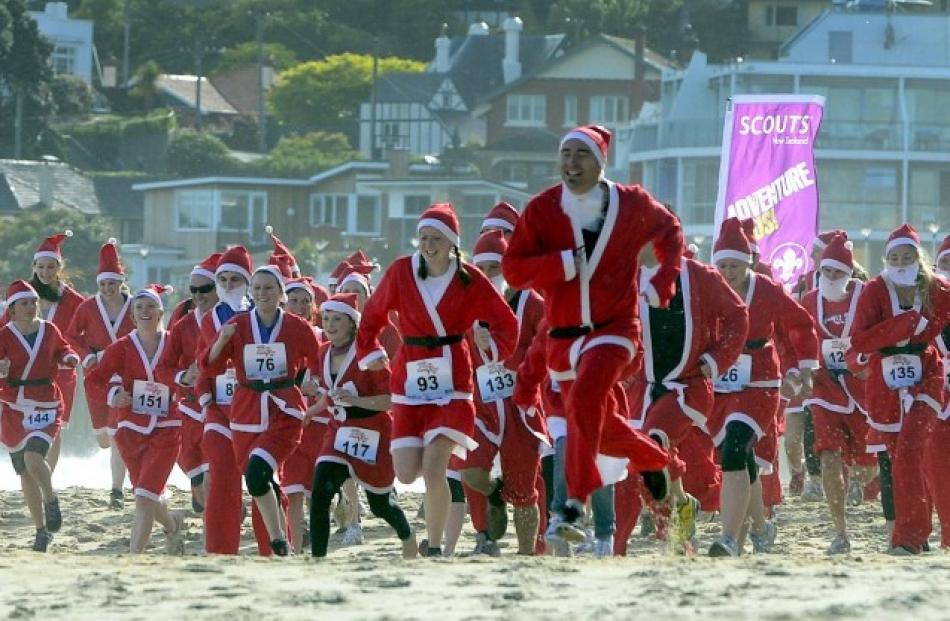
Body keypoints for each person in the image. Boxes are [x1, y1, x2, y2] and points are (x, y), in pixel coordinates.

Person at [503, 124, 680, 541]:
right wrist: (560, 264)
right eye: (565, 154)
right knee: (599, 425)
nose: (571, 164)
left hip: (615, 330)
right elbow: (513, 269)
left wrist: (664, 279)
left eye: (581, 155)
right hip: (563, 335)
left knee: (584, 399)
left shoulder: (631, 203)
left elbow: (670, 232)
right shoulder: (543, 209)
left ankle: (572, 505)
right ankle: (653, 459)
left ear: (600, 163)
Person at [356, 203, 519, 557]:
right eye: (424, 238)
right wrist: (369, 351)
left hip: (453, 381)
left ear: (452, 243)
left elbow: (506, 320)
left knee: (435, 464)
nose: (429, 245)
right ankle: (485, 493)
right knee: (407, 469)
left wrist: (496, 350)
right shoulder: (402, 272)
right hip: (410, 376)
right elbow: (371, 315)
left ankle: (433, 548)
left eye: (437, 238)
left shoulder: (469, 278)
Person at [624, 239, 749, 554]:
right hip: (644, 386)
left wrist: (717, 360)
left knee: (654, 442)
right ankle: (681, 514)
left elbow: (737, 316)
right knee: (646, 463)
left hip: (689, 386)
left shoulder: (700, 275)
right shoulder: (628, 276)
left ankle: (678, 525)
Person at [707, 217, 818, 557]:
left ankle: (727, 537)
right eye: (723, 265)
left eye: (735, 265)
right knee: (737, 454)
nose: (728, 272)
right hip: (720, 379)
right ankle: (760, 526)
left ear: (749, 262)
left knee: (738, 446)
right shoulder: (707, 287)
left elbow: (800, 322)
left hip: (760, 379)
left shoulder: (765, 289)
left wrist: (806, 366)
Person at [201, 264, 322, 556]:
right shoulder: (239, 325)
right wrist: (221, 340)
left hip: (285, 410)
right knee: (258, 479)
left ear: (281, 292)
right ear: (251, 293)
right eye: (257, 288)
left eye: (269, 288)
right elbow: (210, 366)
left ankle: (278, 540)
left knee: (257, 471)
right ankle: (282, 545)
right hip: (245, 413)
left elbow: (319, 361)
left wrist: (314, 383)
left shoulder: (297, 326)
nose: (262, 293)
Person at [850, 224, 950, 555]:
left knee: (909, 451)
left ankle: (907, 538)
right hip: (885, 381)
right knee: (900, 459)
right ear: (886, 259)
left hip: (928, 374)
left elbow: (942, 319)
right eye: (895, 256)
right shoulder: (875, 290)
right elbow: (861, 339)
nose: (902, 261)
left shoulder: (937, 289)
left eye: (908, 255)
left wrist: (925, 327)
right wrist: (905, 325)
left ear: (919, 258)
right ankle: (919, 535)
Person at [454, 230, 549, 556]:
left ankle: (525, 555)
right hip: (482, 406)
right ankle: (495, 495)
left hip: (521, 408)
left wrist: (514, 362)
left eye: (494, 267)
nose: (486, 275)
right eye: (480, 268)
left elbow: (548, 347)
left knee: (525, 493)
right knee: (470, 470)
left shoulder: (533, 304)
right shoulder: (468, 306)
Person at [308, 292, 418, 558]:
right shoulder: (322, 352)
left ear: (353, 323)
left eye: (337, 319)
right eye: (326, 318)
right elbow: (329, 392)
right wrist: (311, 410)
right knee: (321, 491)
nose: (330, 325)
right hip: (338, 431)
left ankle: (408, 535)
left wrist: (357, 399)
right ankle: (317, 561)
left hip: (374, 433)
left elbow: (391, 400)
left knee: (380, 505)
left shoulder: (372, 355)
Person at [86, 284, 185, 554]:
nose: (145, 311)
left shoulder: (174, 342)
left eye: (150, 306)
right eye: (139, 307)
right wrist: (113, 395)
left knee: (144, 497)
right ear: (132, 315)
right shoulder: (122, 347)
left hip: (167, 428)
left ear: (160, 311)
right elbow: (94, 379)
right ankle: (173, 523)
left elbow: (189, 374)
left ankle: (133, 559)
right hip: (130, 429)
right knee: (146, 492)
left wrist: (181, 389)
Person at [800, 233, 878, 554]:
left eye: (839, 273)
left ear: (850, 274)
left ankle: (859, 481)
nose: (832, 278)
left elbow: (880, 331)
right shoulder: (809, 300)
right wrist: (798, 369)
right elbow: (795, 334)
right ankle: (840, 531)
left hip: (863, 387)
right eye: (827, 271)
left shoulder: (866, 296)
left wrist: (868, 361)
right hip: (824, 388)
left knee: (868, 462)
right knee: (828, 454)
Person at [195, 245, 271, 555]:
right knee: (222, 478)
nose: (227, 285)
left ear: (247, 282)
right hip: (218, 411)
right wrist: (202, 400)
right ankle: (220, 551)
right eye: (222, 279)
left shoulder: (263, 315)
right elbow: (201, 363)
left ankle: (273, 547)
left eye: (235, 279)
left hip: (256, 410)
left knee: (260, 480)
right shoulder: (208, 318)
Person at [0, 280, 79, 551]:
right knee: (24, 472)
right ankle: (40, 530)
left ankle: (51, 498)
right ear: (12, 308)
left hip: (45, 403)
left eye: (33, 301)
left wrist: (69, 358)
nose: (31, 306)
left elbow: (63, 348)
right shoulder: (4, 335)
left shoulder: (49, 329)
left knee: (34, 458)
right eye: (24, 302)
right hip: (14, 408)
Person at [65, 239, 134, 509]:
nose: (108, 289)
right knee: (104, 438)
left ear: (121, 281)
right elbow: (71, 335)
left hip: (126, 374)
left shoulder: (134, 305)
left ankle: (116, 490)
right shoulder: (88, 307)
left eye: (112, 283)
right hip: (97, 375)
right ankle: (112, 462)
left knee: (117, 433)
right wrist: (87, 355)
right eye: (103, 284)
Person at [156, 253, 220, 515]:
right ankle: (207, 499)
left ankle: (217, 520)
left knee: (212, 470)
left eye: (205, 289)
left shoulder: (236, 319)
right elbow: (163, 367)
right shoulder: (183, 325)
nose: (199, 295)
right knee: (194, 468)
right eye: (194, 290)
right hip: (190, 408)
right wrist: (182, 376)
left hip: (221, 408)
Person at [280, 276, 332, 553]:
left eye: (305, 301)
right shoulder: (276, 340)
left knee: (318, 494)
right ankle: (296, 550)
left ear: (314, 307)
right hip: (289, 422)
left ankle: (319, 546)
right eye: (294, 301)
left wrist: (319, 388)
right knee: (294, 491)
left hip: (320, 425)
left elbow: (338, 378)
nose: (299, 306)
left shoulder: (325, 338)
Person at [26, 231, 83, 472]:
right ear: (34, 266)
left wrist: (76, 355)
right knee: (28, 425)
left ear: (59, 267)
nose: (45, 272)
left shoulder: (73, 300)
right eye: (41, 266)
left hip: (61, 372)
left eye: (51, 267)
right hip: (27, 371)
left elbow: (85, 334)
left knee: (54, 426)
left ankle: (47, 475)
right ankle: (32, 472)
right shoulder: (24, 294)